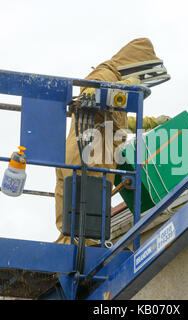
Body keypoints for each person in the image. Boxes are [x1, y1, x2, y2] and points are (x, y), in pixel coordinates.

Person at [54, 38, 171, 245]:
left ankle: (61, 263)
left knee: (74, 226)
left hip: (84, 155)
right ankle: (78, 257)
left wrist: (152, 122)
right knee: (85, 225)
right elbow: (89, 93)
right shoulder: (105, 73)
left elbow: (119, 123)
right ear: (136, 64)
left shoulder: (113, 78)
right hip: (89, 156)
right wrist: (125, 86)